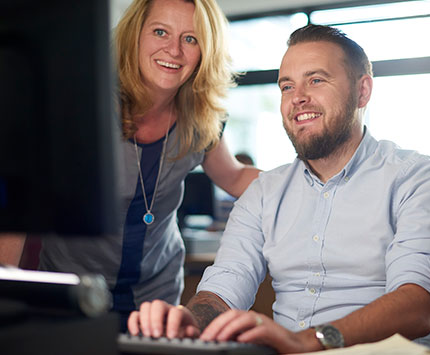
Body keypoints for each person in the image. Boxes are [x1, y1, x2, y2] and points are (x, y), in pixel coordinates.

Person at [128, 24, 430, 353]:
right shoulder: (263, 192)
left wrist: (307, 340)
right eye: (287, 86)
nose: (298, 98)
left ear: (363, 91)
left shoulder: (418, 177)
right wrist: (188, 321)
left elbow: (418, 307)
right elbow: (222, 290)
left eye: (316, 80)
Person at [0, 0, 259, 331]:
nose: (174, 50)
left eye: (191, 39)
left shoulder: (202, 117)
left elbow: (234, 176)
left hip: (157, 297)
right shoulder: (83, 101)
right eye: (160, 32)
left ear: (206, 51)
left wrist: (311, 178)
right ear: (135, 35)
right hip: (77, 289)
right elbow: (23, 196)